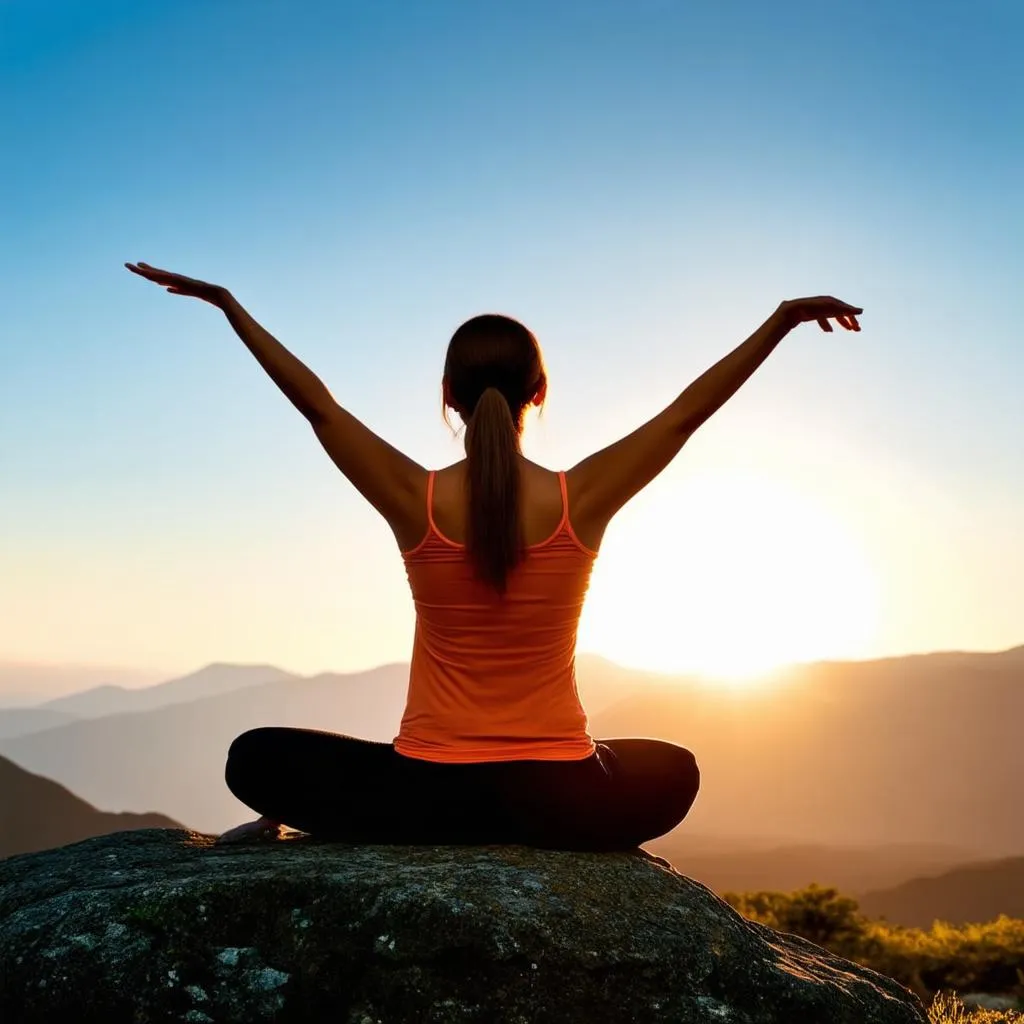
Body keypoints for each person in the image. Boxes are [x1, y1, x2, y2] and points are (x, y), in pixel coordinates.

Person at [125, 261, 861, 851]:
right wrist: (780, 323)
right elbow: (683, 416)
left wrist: (230, 307)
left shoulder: (414, 500)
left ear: (448, 396)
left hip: (422, 795)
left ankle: (394, 827)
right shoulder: (583, 498)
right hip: (561, 798)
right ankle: (538, 831)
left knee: (253, 756)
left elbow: (321, 407)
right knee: (674, 770)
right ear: (538, 393)